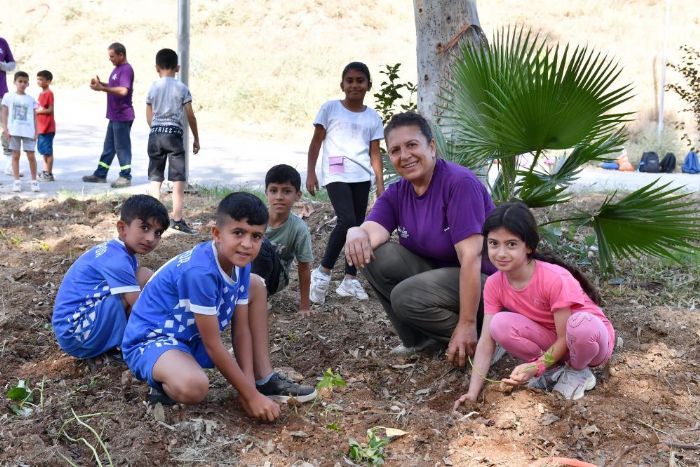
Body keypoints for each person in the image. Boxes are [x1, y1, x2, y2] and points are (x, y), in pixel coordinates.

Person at [121, 192, 317, 419]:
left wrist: (249, 390)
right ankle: (162, 380)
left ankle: (262, 379)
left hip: (188, 338)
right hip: (151, 339)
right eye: (238, 233)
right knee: (195, 387)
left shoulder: (241, 263)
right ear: (216, 233)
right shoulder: (200, 273)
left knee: (256, 285)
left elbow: (241, 330)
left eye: (256, 236)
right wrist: (249, 397)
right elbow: (213, 344)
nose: (246, 244)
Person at [345, 112, 496, 363]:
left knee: (405, 296)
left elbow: (471, 258)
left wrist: (467, 323)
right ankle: (419, 340)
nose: (404, 156)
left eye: (412, 145)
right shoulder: (398, 192)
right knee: (373, 255)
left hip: (487, 286)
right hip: (439, 281)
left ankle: (484, 339)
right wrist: (355, 231)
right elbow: (371, 232)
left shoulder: (459, 184)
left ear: (432, 147)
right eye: (395, 150)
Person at [453, 202, 615, 405]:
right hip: (557, 342)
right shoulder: (495, 284)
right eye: (494, 243)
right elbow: (486, 341)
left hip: (590, 341)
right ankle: (556, 370)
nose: (501, 253)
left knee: (579, 325)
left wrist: (536, 366)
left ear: (529, 246)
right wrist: (472, 393)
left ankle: (578, 372)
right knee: (499, 324)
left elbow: (566, 336)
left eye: (511, 244)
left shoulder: (554, 278)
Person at [52, 195, 169, 368]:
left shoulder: (116, 252)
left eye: (157, 233)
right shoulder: (118, 260)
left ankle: (107, 346)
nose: (151, 238)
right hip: (77, 333)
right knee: (144, 279)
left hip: (74, 330)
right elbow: (141, 307)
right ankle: (129, 346)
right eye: (145, 228)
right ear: (122, 228)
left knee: (142, 279)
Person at [306, 62, 384, 304]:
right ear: (342, 84)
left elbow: (375, 153)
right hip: (336, 173)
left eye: (360, 80)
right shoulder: (330, 109)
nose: (354, 85)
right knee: (347, 221)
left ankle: (350, 279)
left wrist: (380, 184)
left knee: (358, 226)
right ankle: (322, 273)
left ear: (368, 85)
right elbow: (316, 142)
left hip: (361, 176)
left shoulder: (373, 117)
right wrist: (310, 172)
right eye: (349, 80)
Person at [145, 48, 200, 234]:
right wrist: (196, 138)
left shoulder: (153, 87)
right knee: (178, 179)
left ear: (156, 68)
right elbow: (190, 116)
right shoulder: (181, 88)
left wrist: (155, 130)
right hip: (174, 135)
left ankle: (153, 219)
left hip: (156, 135)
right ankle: (177, 219)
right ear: (177, 67)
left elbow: (148, 113)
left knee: (155, 177)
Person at [251, 164, 314, 316]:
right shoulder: (255, 218)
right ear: (266, 193)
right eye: (273, 190)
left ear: (297, 195)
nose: (279, 197)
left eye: (286, 191)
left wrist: (304, 306)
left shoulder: (299, 229)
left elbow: (304, 267)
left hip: (275, 279)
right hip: (247, 269)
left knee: (262, 244)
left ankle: (256, 298)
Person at [82, 42, 135, 188]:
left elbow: (124, 90)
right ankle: (100, 174)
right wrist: (101, 85)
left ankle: (125, 176)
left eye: (112, 56)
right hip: (114, 115)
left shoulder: (126, 70)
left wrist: (102, 89)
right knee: (109, 147)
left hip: (122, 115)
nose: (110, 59)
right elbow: (114, 88)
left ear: (121, 55)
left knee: (122, 147)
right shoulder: (117, 69)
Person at [1, 71, 39, 192]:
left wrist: (36, 131)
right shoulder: (8, 96)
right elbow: (4, 112)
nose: (22, 84)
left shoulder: (31, 99)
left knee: (31, 156)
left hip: (28, 131)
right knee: (15, 156)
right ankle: (16, 181)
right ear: (15, 82)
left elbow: (35, 117)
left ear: (28, 84)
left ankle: (34, 181)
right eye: (20, 81)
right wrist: (5, 128)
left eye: (25, 82)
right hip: (14, 131)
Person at [1, 36, 17, 172]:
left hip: (2, 93)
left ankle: (8, 164)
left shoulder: (2, 42)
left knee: (7, 127)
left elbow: (12, 64)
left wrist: (2, 65)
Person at [36, 70, 56, 182]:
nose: (38, 81)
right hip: (41, 127)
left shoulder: (49, 93)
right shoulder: (41, 93)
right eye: (37, 79)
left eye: (41, 79)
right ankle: (45, 171)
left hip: (47, 127)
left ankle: (49, 173)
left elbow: (50, 109)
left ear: (48, 81)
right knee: (44, 151)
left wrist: (38, 112)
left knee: (48, 151)